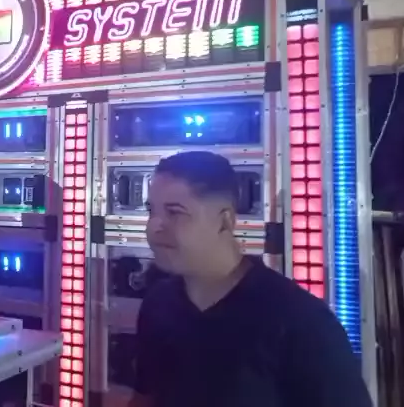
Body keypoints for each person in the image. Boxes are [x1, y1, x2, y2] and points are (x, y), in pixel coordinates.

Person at [130, 151, 372, 407]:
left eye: (174, 212)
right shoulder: (159, 304)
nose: (154, 226)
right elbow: (145, 398)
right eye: (151, 211)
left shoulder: (302, 323)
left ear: (225, 221)